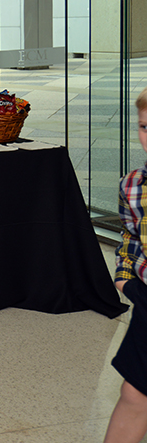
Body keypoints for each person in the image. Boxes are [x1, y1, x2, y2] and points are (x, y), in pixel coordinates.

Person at [104, 87, 147, 443]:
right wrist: (124, 279)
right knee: (134, 394)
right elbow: (131, 237)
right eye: (145, 126)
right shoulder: (133, 185)